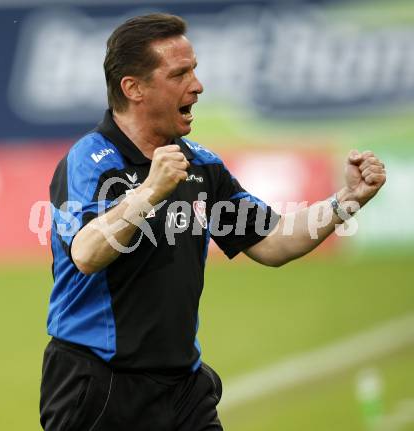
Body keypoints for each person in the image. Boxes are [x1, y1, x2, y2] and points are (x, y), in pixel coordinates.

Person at [40, 13, 386, 431]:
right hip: (99, 386)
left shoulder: (201, 165)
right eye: (180, 74)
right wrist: (150, 192)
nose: (197, 86)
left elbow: (274, 241)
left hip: (182, 388)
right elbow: (86, 253)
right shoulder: (90, 161)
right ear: (134, 88)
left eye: (195, 70)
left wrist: (346, 201)